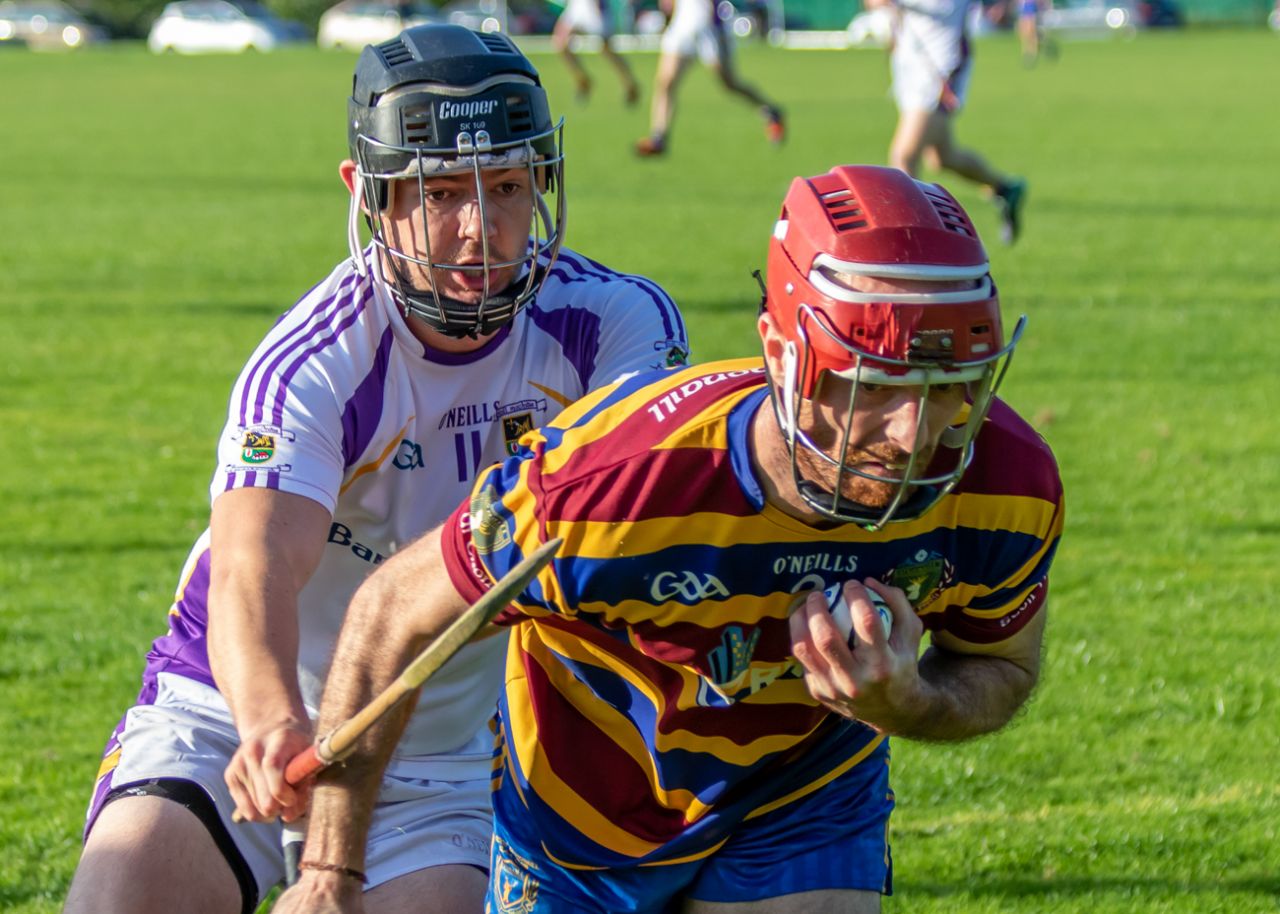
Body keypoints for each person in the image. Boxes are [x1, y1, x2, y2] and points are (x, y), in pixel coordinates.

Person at [272, 164, 1064, 913]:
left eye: (949, 387)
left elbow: (1002, 662)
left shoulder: (1004, 483)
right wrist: (330, 872)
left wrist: (911, 702)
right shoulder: (606, 484)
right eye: (875, 386)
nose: (913, 433)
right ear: (785, 357)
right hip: (577, 823)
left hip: (802, 795)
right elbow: (390, 613)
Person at [62, 23, 689, 914]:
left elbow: (651, 534)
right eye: (440, 193)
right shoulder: (317, 359)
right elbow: (254, 563)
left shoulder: (614, 327)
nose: (481, 230)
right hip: (234, 705)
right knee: (122, 897)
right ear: (369, 191)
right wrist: (271, 719)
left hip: (449, 751)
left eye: (507, 186)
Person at [865, 0, 1028, 244]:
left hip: (941, 74)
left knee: (904, 155)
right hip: (911, 70)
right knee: (943, 157)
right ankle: (1005, 189)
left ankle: (914, 238)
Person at [634, 0, 785, 157]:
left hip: (709, 23)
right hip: (683, 21)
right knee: (665, 82)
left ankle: (771, 110)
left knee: (730, 84)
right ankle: (659, 138)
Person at [552, 0, 641, 107]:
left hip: (597, 7)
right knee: (560, 42)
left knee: (607, 50)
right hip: (578, 4)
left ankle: (630, 83)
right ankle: (583, 80)